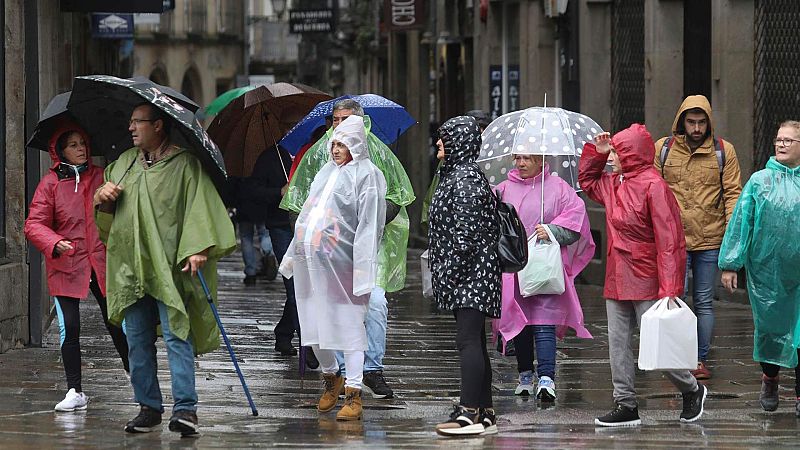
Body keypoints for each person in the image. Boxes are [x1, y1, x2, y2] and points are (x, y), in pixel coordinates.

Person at [93, 103, 236, 435]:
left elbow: (200, 209)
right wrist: (104, 195)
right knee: (137, 339)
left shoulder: (185, 166)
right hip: (132, 266)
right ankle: (148, 407)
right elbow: (107, 214)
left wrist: (198, 248)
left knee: (177, 335)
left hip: (171, 266)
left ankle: (185, 409)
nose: (131, 128)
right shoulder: (124, 164)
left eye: (137, 122)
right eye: (129, 122)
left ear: (158, 125)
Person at [280, 99, 415, 399]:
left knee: (369, 308)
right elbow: (302, 205)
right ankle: (336, 375)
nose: (338, 128)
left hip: (361, 251)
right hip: (321, 254)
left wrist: (369, 222)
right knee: (319, 317)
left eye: (345, 120)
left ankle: (369, 372)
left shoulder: (374, 164)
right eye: (335, 120)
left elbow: (392, 199)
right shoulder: (320, 161)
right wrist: (304, 243)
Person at [579, 124, 708, 427]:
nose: (611, 158)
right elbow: (588, 181)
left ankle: (692, 388)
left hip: (647, 276)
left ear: (630, 154)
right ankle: (625, 403)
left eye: (615, 152)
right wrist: (596, 156)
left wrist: (669, 288)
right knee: (618, 344)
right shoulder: (615, 182)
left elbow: (670, 240)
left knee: (659, 343)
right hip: (618, 275)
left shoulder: (654, 186)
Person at [24, 123, 130, 412]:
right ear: (60, 151)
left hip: (102, 262)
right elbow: (34, 224)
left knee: (117, 322)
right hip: (66, 265)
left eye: (83, 142)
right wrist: (54, 241)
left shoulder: (101, 176)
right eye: (73, 144)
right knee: (69, 327)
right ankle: (75, 390)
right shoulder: (50, 183)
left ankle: (139, 378)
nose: (81, 148)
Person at [493, 153, 595, 401]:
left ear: (541, 159)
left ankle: (547, 377)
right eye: (517, 158)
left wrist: (551, 229)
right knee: (522, 323)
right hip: (515, 269)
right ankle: (525, 374)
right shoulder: (503, 190)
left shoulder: (559, 188)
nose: (521, 163)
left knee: (544, 322)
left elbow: (576, 216)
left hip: (546, 267)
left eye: (527, 158)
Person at [654, 95, 742, 379]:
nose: (696, 128)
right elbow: (652, 190)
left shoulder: (723, 151)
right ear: (681, 121)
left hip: (710, 239)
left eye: (701, 122)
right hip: (673, 241)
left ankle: (699, 359)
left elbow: (732, 195)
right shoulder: (663, 149)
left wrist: (731, 238)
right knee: (673, 300)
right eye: (691, 122)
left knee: (703, 301)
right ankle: (675, 362)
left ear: (709, 123)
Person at [718, 120, 800, 415]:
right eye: (778, 139)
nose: (780, 144)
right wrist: (730, 264)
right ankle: (771, 378)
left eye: (788, 141)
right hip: (767, 272)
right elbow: (742, 223)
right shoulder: (759, 181)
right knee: (769, 329)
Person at [428, 116, 501, 437]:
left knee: (468, 341)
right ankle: (484, 411)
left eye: (444, 138)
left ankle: (469, 412)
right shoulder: (458, 175)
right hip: (473, 273)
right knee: (475, 342)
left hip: (471, 274)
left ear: (459, 141)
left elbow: (467, 235)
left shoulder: (465, 179)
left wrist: (448, 273)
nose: (438, 143)